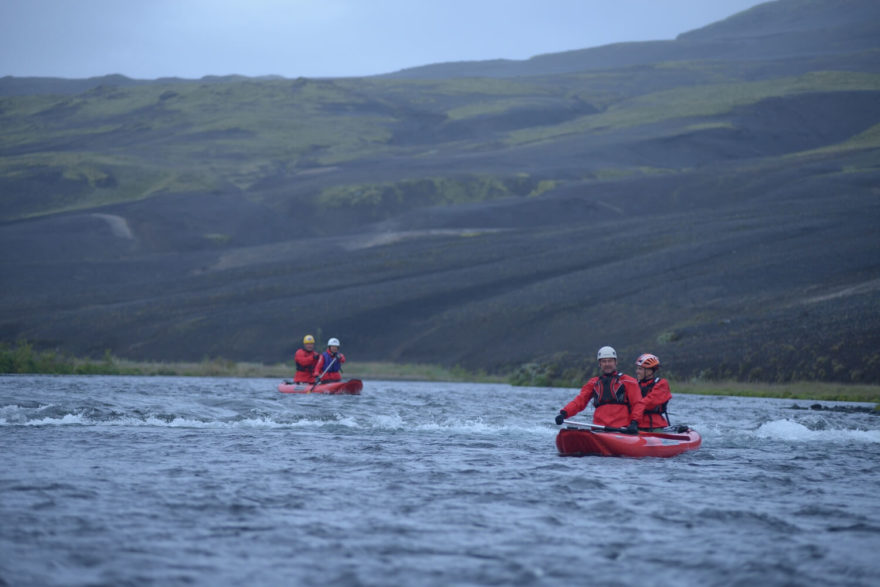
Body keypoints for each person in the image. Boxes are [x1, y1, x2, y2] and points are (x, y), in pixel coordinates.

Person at [554, 346, 642, 431]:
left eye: (610, 361)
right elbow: (579, 401)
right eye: (604, 361)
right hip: (599, 428)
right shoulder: (593, 383)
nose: (607, 364)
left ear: (615, 362)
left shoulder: (629, 381)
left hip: (622, 429)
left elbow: (637, 404)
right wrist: (564, 413)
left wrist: (634, 422)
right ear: (600, 364)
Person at [629, 353, 671, 431]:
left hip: (655, 425)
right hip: (634, 425)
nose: (637, 371)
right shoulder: (634, 383)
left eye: (640, 369)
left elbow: (647, 403)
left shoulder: (662, 384)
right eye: (637, 368)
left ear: (649, 371)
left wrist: (635, 421)